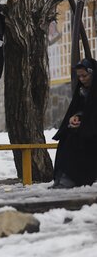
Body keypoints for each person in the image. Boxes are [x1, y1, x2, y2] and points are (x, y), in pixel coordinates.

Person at [52, 58, 97, 188]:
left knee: (80, 139)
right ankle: (61, 177)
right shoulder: (82, 91)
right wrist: (75, 117)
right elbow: (80, 109)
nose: (82, 79)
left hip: (93, 132)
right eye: (79, 76)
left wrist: (85, 123)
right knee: (66, 137)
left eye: (84, 75)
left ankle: (73, 178)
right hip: (86, 128)